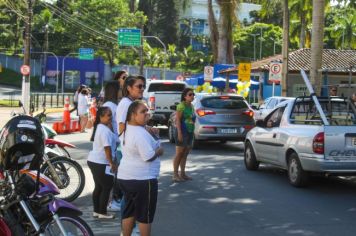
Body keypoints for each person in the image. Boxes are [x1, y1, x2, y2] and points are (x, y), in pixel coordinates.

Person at [117, 100, 164, 236]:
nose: (147, 114)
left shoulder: (128, 128)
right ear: (132, 114)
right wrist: (159, 151)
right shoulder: (139, 133)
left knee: (129, 211)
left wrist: (154, 135)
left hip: (126, 177)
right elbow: (148, 156)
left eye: (147, 111)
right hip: (143, 179)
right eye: (143, 111)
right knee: (145, 216)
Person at [87, 106, 118, 219]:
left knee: (99, 187)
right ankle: (102, 212)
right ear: (101, 116)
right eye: (108, 115)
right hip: (101, 162)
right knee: (107, 186)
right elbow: (107, 148)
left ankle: (97, 211)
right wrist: (111, 163)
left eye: (111, 115)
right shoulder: (103, 130)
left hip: (95, 161)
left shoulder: (101, 127)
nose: (111, 117)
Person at [102, 81, 122, 212]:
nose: (122, 91)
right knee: (112, 173)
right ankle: (111, 201)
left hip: (115, 143)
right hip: (112, 144)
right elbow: (107, 124)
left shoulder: (113, 104)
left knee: (115, 173)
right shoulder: (109, 105)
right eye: (120, 89)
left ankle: (112, 200)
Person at [173, 88, 195, 182]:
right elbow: (178, 120)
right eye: (190, 94)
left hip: (190, 131)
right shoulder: (181, 106)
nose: (192, 96)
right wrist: (179, 133)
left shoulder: (191, 106)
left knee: (185, 153)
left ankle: (183, 173)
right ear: (185, 96)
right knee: (179, 153)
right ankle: (175, 175)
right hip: (182, 131)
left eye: (193, 94)